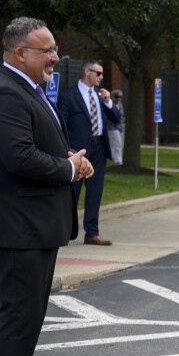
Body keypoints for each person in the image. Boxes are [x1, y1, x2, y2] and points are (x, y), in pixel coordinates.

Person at [0, 17, 92, 356]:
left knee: (31, 315)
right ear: (20, 53)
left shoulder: (29, 90)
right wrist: (67, 167)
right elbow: (20, 158)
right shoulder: (5, 95)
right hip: (15, 229)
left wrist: (71, 160)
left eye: (55, 48)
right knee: (18, 316)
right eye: (48, 50)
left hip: (34, 227)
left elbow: (37, 145)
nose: (56, 57)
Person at [58, 60, 120, 246]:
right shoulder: (68, 96)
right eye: (98, 73)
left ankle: (92, 232)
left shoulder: (100, 97)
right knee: (73, 192)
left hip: (99, 147)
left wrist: (109, 102)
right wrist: (67, 152)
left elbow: (116, 119)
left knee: (95, 191)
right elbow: (62, 127)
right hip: (78, 151)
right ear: (87, 72)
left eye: (102, 74)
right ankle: (65, 231)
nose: (101, 77)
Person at [107, 89, 125, 165]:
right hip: (112, 128)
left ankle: (114, 157)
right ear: (112, 97)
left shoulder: (120, 105)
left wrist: (122, 120)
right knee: (117, 144)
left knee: (120, 144)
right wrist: (116, 120)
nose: (118, 98)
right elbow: (107, 118)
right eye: (116, 96)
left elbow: (122, 116)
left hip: (120, 128)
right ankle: (118, 161)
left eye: (120, 97)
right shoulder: (110, 105)